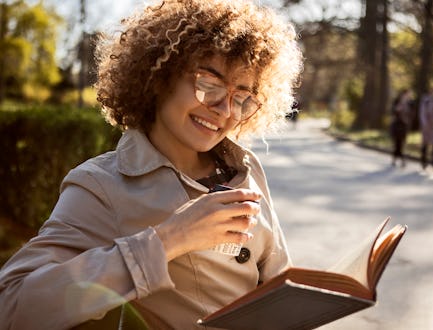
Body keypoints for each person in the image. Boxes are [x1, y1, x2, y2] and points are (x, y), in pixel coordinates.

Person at [0, 0, 303, 328]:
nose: (225, 110)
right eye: (208, 85)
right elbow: (13, 304)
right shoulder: (101, 184)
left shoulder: (245, 165)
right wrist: (168, 240)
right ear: (160, 77)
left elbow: (278, 278)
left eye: (242, 98)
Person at [389, 89, 413, 167]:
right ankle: (396, 159)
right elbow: (393, 112)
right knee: (397, 143)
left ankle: (401, 160)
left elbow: (412, 114)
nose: (407, 96)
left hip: (404, 126)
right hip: (397, 125)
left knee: (402, 143)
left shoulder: (410, 104)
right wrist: (397, 110)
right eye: (406, 95)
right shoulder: (396, 102)